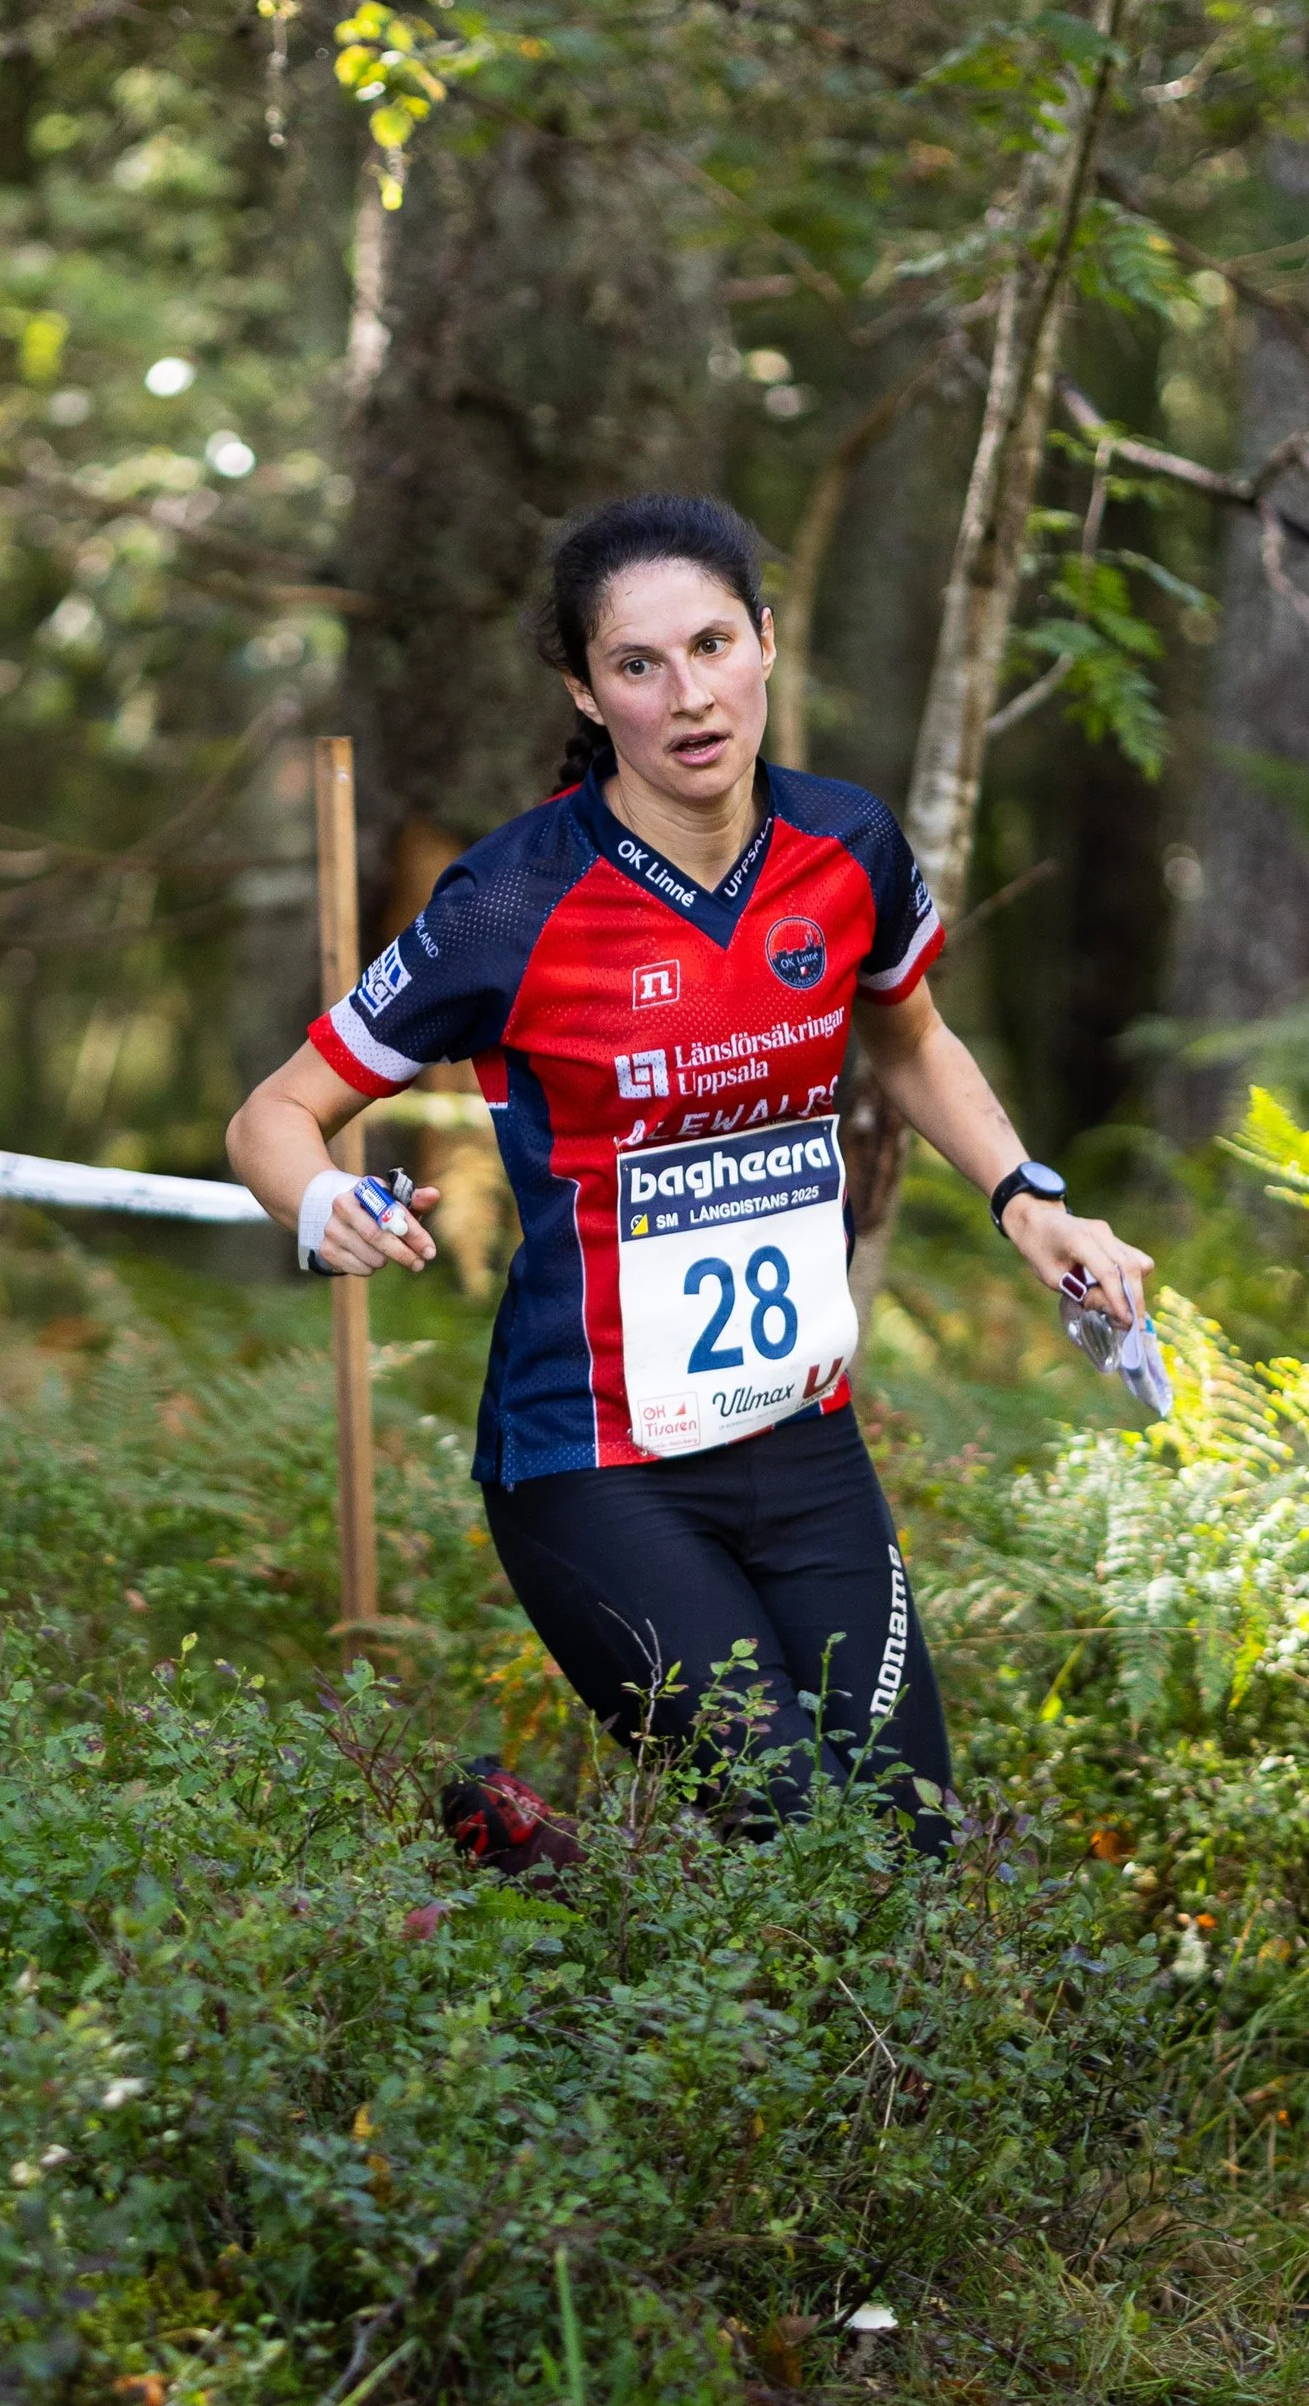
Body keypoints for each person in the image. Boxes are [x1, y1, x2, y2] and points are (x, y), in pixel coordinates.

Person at [225, 493, 1153, 1861]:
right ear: (586, 693)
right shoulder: (509, 903)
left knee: (905, 1845)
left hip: (801, 1441)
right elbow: (275, 1114)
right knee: (788, 1824)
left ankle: (535, 1865)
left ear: (767, 642)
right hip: (593, 1464)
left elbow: (909, 1036)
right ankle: (545, 1884)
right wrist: (322, 1202)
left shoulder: (848, 849)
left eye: (713, 645)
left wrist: (1028, 1197)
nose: (689, 697)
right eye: (639, 666)